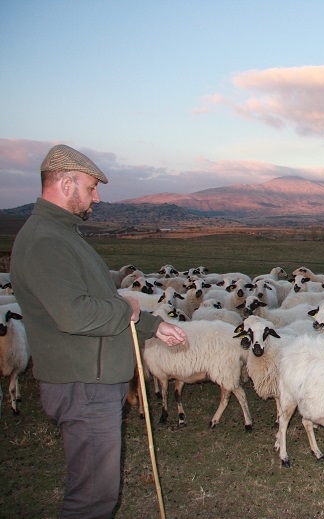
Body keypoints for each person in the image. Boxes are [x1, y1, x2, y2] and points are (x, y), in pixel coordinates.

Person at [10, 144, 187, 518]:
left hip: (90, 380)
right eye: (91, 188)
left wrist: (154, 325)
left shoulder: (63, 235)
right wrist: (129, 307)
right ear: (66, 182)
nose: (98, 196)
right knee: (91, 499)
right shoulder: (46, 240)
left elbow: (97, 299)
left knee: (93, 493)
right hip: (83, 385)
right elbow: (74, 314)